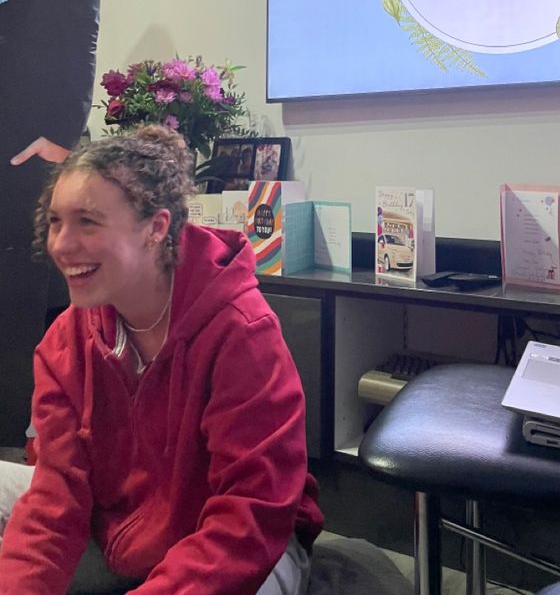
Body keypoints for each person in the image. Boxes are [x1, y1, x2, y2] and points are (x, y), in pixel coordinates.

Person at [0, 125, 323, 593]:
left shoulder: (240, 330)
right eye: (55, 221)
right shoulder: (66, 340)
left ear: (156, 228)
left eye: (87, 221)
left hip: (239, 545)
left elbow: (252, 509)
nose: (61, 245)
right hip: (121, 528)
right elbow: (56, 496)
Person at [0, 0, 100, 443]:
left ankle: (14, 450)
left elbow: (79, 32)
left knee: (17, 300)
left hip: (24, 148)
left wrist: (60, 135)